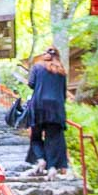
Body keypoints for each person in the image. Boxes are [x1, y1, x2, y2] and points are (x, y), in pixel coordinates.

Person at [27, 48, 69, 180]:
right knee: (54, 138)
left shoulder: (37, 67)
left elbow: (31, 84)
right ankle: (51, 168)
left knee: (36, 136)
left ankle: (40, 159)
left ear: (45, 55)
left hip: (39, 106)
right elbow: (63, 92)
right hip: (56, 108)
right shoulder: (61, 71)